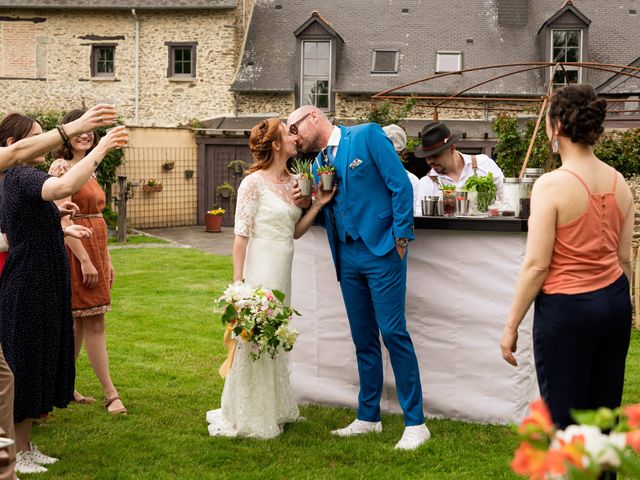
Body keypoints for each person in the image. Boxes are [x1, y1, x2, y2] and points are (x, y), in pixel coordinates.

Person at [287, 106, 429, 450]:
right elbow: (331, 206)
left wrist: (400, 239)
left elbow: (400, 187)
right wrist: (312, 202)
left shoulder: (366, 135)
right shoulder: (319, 162)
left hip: (382, 250)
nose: (294, 136)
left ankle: (416, 423)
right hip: (346, 255)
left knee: (394, 333)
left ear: (314, 118)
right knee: (363, 338)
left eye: (294, 128)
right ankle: (368, 417)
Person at [500, 84, 634, 430]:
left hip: (568, 310)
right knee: (602, 419)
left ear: (556, 126)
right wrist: (623, 302)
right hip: (614, 304)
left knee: (566, 424)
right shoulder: (619, 182)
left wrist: (511, 325)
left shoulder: (551, 185)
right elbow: (625, 260)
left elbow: (536, 265)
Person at [0, 113, 125, 475]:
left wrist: (61, 225)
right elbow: (62, 185)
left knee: (36, 363)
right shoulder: (22, 175)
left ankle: (25, 445)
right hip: (30, 281)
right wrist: (101, 146)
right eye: (38, 137)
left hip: (42, 278)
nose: (48, 142)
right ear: (15, 144)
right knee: (24, 366)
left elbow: (23, 222)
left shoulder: (17, 178)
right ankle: (16, 452)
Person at [206, 118, 335, 439]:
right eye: (288, 133)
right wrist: (239, 285)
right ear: (276, 145)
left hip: (283, 265)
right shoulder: (252, 183)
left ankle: (276, 406)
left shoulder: (295, 181)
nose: (295, 137)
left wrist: (316, 205)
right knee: (256, 335)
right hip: (259, 267)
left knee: (276, 334)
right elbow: (240, 235)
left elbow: (294, 233)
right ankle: (250, 412)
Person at [49, 109, 126, 415]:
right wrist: (84, 260)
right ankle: (111, 394)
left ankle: (62, 384)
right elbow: (60, 218)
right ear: (68, 133)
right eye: (81, 130)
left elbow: (98, 219)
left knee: (79, 325)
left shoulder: (90, 166)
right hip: (75, 248)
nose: (86, 135)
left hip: (95, 246)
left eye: (91, 131)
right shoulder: (60, 167)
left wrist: (105, 260)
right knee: (93, 322)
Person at [415, 121, 504, 201]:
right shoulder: (427, 183)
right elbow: (421, 218)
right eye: (427, 157)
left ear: (452, 149)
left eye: (435, 155)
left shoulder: (484, 164)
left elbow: (506, 200)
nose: (430, 161)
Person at [382, 124, 421, 216]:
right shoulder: (367, 177)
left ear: (403, 153)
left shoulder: (412, 181)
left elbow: (415, 216)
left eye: (395, 153)